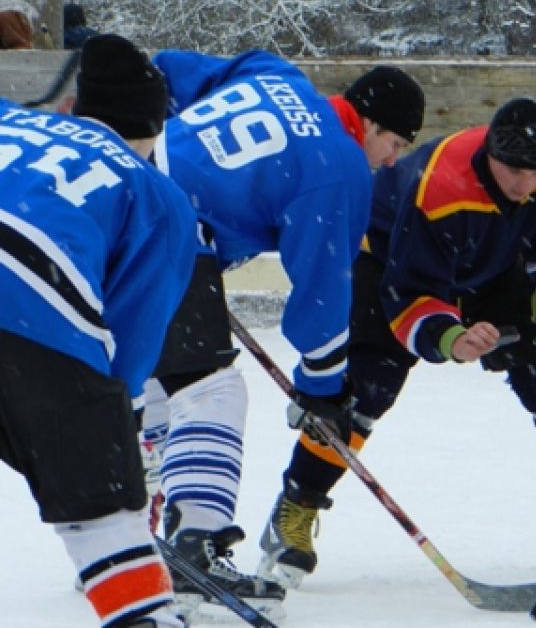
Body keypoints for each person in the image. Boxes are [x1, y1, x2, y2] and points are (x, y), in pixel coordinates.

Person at [258, 96, 536, 590]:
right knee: (366, 386)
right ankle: (296, 506)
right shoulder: (439, 187)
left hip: (491, 259)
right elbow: (410, 295)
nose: (525, 185)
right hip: (388, 257)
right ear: (489, 155)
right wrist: (452, 339)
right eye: (513, 172)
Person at [145, 50, 425, 618]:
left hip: (114, 192)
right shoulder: (339, 166)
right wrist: (322, 386)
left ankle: (124, 543)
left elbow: (164, 68)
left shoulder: (275, 75)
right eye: (394, 145)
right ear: (370, 124)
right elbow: (321, 293)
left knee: (152, 379)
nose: (388, 162)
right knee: (211, 390)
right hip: (165, 229)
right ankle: (195, 543)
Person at [0, 33, 197, 627]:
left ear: (74, 106)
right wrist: (116, 427)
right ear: (151, 134)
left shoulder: (10, 118)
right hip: (29, 305)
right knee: (99, 504)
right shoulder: (154, 192)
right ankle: (142, 615)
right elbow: (130, 348)